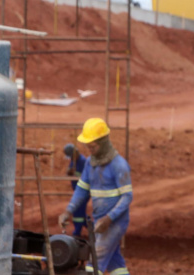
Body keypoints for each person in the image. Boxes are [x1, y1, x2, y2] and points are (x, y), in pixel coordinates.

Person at [59, 118, 132, 275]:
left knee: (95, 260)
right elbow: (81, 190)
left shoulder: (118, 165)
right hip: (100, 220)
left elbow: (127, 197)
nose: (89, 149)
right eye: (88, 146)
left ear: (104, 142)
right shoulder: (90, 164)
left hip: (115, 222)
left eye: (93, 146)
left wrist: (109, 218)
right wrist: (68, 211)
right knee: (115, 263)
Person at [62, 143, 88, 236]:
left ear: (75, 153)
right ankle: (92, 228)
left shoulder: (83, 161)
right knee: (81, 213)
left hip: (84, 191)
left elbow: (87, 177)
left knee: (77, 212)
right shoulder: (74, 161)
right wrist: (69, 172)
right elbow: (69, 172)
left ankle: (77, 233)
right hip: (77, 191)